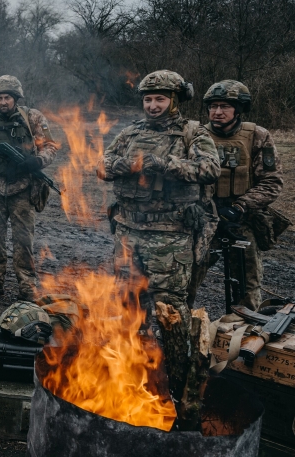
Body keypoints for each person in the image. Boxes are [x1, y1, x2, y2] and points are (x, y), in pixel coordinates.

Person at [97, 70, 219, 398]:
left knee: (170, 312)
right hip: (128, 231)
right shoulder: (130, 132)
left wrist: (163, 164)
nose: (153, 105)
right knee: (126, 305)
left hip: (171, 236)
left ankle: (178, 387)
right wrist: (124, 165)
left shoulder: (193, 133)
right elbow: (102, 164)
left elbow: (210, 170)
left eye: (160, 99)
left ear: (175, 100)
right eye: (148, 99)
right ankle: (129, 374)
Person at [185, 80, 284, 310]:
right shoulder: (195, 135)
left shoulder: (257, 136)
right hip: (202, 219)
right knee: (185, 280)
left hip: (240, 219)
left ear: (238, 110)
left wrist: (240, 207)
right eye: (213, 106)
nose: (217, 112)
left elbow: (272, 182)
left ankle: (243, 335)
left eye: (225, 106)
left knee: (247, 288)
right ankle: (179, 333)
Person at [0, 75, 57, 301]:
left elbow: (49, 146)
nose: (3, 102)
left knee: (23, 241)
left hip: (23, 190)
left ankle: (27, 285)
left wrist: (37, 161)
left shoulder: (33, 117)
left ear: (15, 97)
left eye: (7, 97)